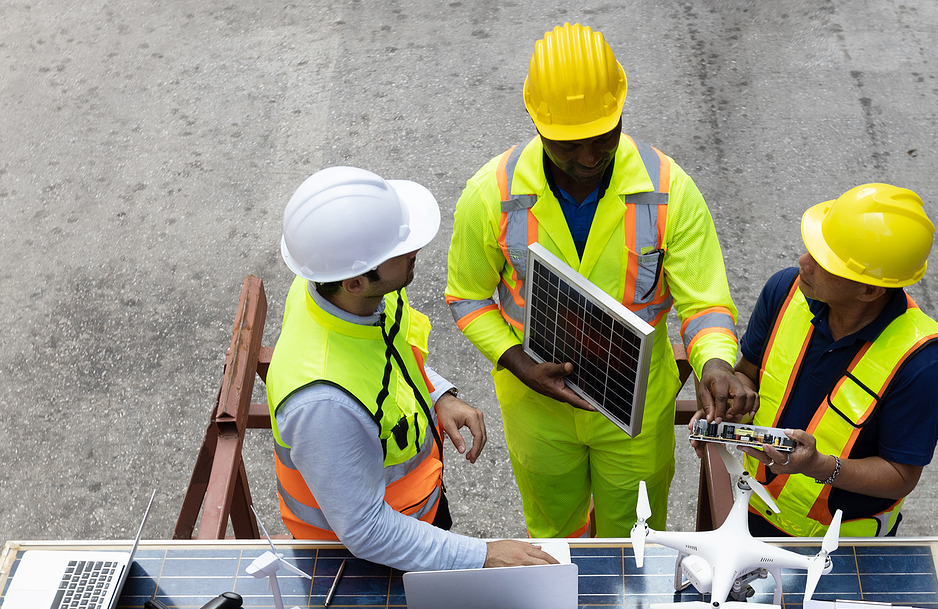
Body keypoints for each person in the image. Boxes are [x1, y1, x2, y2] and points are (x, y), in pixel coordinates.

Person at [444, 22, 755, 539]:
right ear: (536, 120)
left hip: (635, 407)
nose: (590, 156)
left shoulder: (667, 189)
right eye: (570, 143)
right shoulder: (490, 195)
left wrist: (716, 362)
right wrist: (520, 365)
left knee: (635, 538)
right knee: (555, 536)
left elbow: (705, 304)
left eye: (604, 136)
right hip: (536, 406)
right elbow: (467, 297)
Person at [267, 166, 554, 570]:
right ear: (354, 282)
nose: (414, 249)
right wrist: (483, 556)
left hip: (414, 519)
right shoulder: (323, 406)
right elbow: (367, 531)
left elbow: (386, 353)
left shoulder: (334, 290)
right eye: (398, 250)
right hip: (358, 566)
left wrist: (437, 394)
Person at [733, 183, 938, 538]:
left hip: (839, 551)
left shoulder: (921, 368)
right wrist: (732, 403)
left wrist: (820, 466)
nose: (803, 263)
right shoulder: (784, 291)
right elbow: (747, 373)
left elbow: (900, 476)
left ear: (869, 290)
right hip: (747, 512)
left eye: (823, 262)